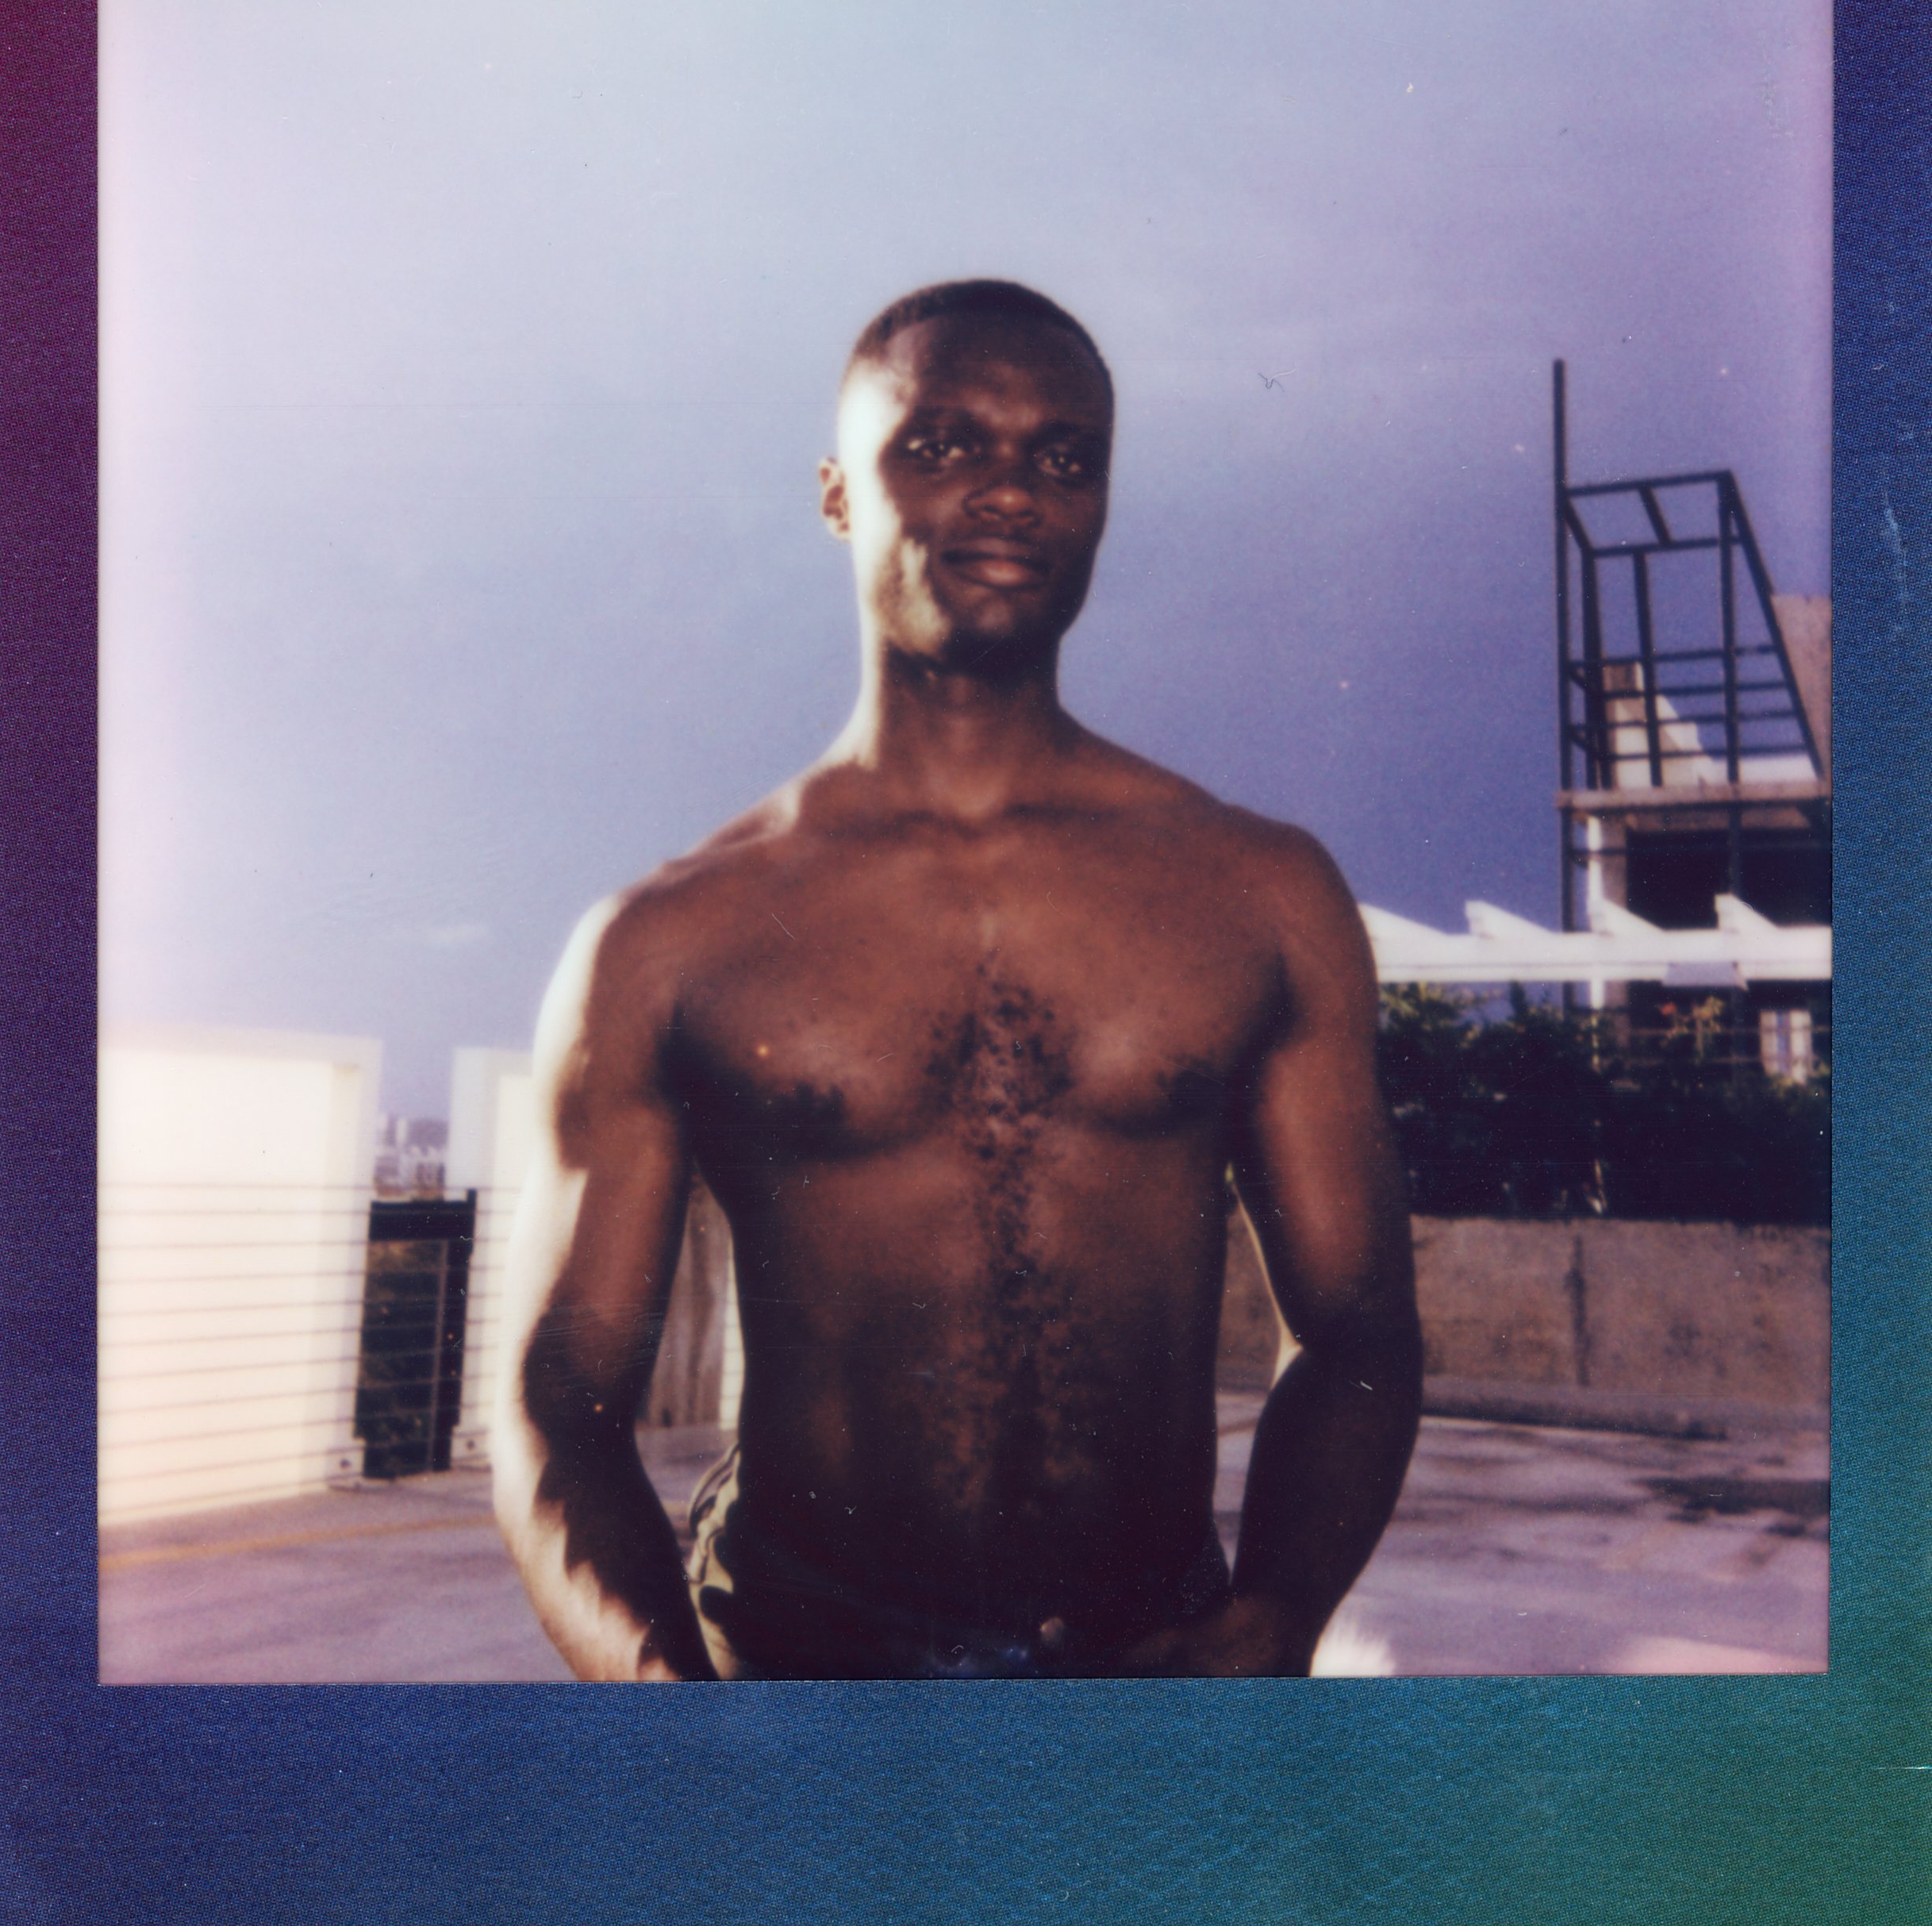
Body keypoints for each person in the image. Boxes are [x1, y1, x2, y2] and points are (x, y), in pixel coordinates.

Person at [492, 279, 1422, 1679]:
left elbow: (1355, 1330)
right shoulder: (672, 938)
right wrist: (670, 1711)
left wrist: (1279, 1612)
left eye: (1062, 457)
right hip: (801, 1670)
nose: (1008, 493)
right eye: (940, 445)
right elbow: (557, 1400)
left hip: (1157, 1670)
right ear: (833, 493)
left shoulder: (1257, 893)